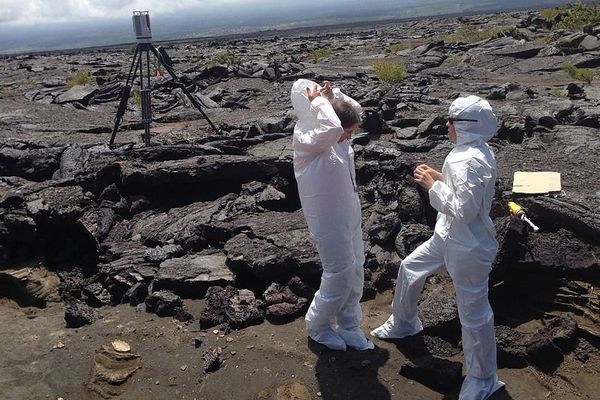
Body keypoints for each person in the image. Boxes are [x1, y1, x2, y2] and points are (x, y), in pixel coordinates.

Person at [370, 95, 504, 399]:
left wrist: (432, 186)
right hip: (449, 235)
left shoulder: (469, 160)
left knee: (474, 313)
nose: (447, 125)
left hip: (469, 245)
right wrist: (439, 177)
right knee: (410, 266)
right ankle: (403, 322)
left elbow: (466, 209)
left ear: (465, 125)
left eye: (452, 120)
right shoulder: (472, 151)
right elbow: (464, 194)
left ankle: (483, 379)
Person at [291, 79, 373, 351]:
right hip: (327, 218)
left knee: (356, 267)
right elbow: (334, 127)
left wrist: (331, 94)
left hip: (349, 212)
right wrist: (318, 103)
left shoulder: (335, 134)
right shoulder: (307, 137)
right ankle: (318, 325)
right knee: (339, 271)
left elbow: (353, 111)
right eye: (347, 133)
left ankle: (349, 324)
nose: (348, 136)